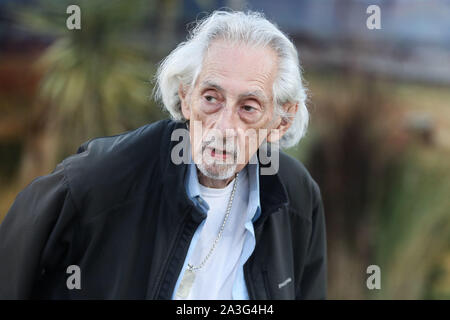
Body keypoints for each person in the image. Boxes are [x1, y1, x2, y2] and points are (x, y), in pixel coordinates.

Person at [0, 10, 326, 300]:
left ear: (279, 121)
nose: (224, 126)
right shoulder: (99, 178)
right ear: (186, 97)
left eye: (248, 108)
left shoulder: (296, 196)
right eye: (211, 98)